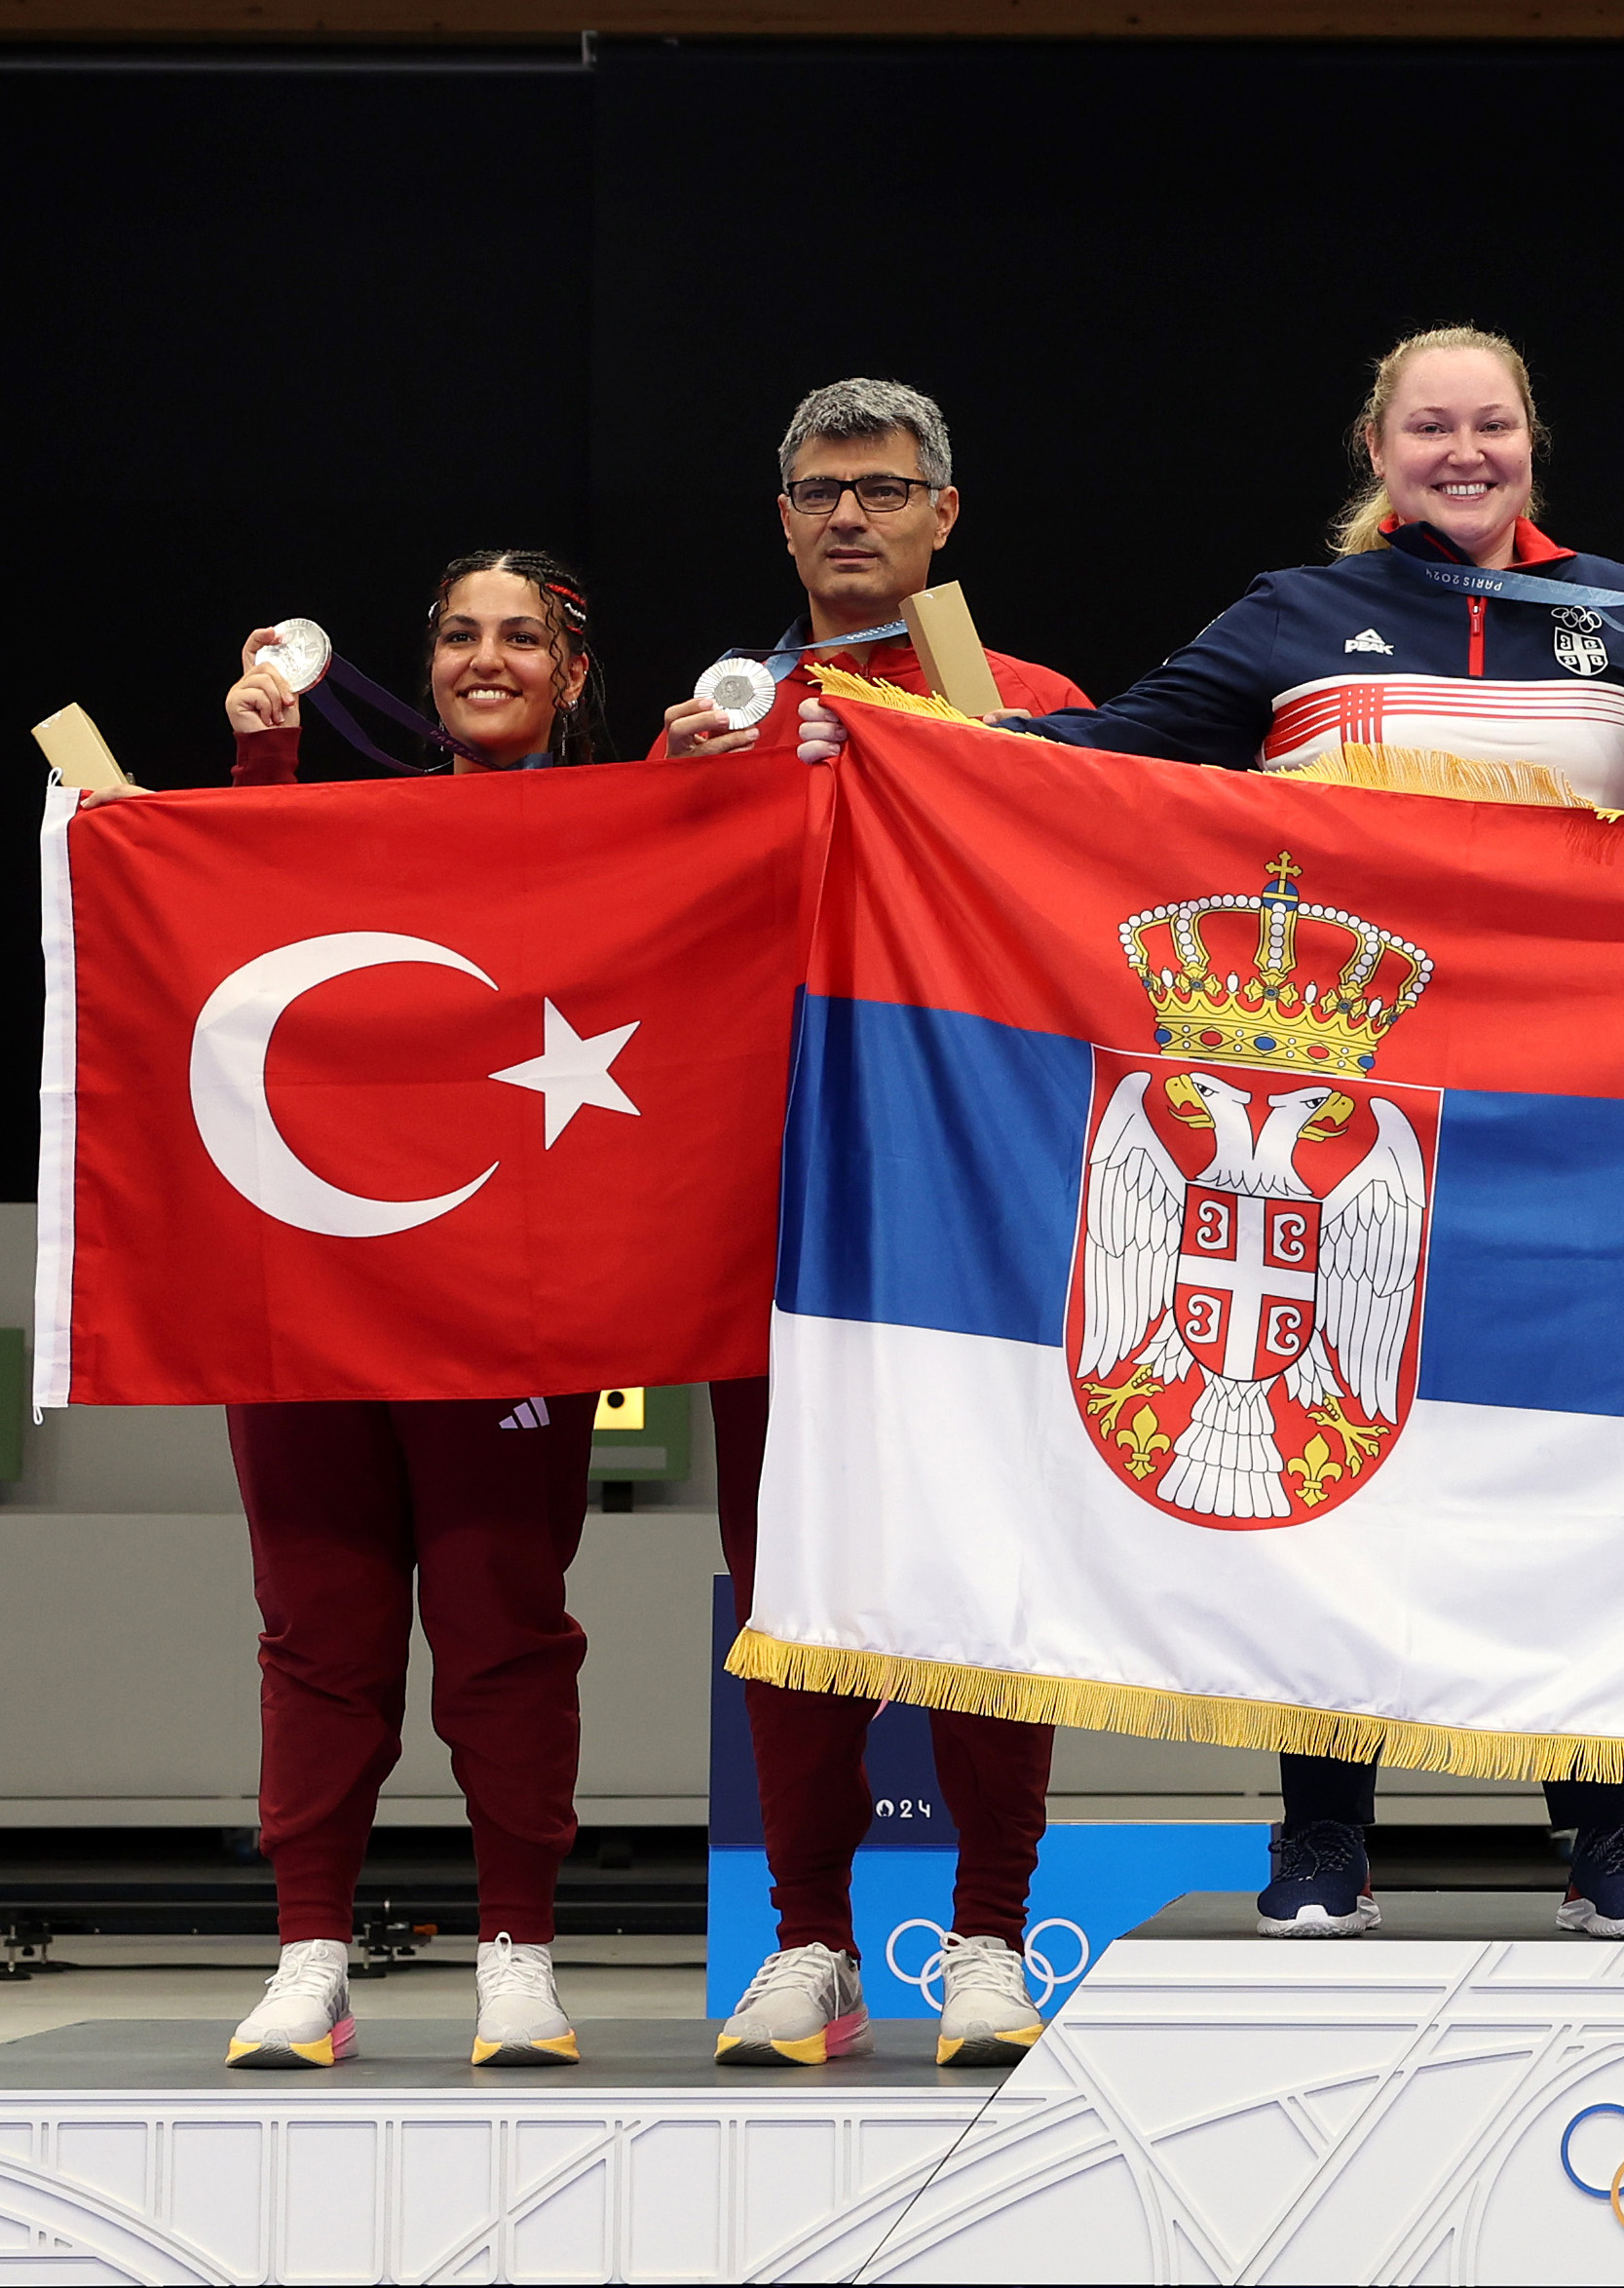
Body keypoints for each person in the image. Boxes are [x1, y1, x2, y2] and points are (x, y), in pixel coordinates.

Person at [797, 328, 1624, 1941]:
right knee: (1336, 1465)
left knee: (1576, 1478)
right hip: (1353, 1124)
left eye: (1491, 423)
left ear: (1533, 439)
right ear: (1378, 443)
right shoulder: (1296, 618)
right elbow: (1122, 748)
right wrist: (914, 745)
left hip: (1575, 1127)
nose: (1463, 450)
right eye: (1429, 424)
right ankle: (1321, 1836)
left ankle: (1608, 1834)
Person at [128, 552, 610, 2069]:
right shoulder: (342, 818)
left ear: (571, 672)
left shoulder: (623, 836)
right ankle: (310, 1954)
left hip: (507, 1309)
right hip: (315, 1290)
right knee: (318, 1634)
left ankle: (517, 1952)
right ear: (425, 659)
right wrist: (264, 752)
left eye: (520, 637)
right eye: (461, 635)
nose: (486, 659)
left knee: (503, 1634)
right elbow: (245, 929)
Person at [684, 380, 1093, 2068]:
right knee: (794, 1576)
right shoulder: (711, 719)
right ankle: (809, 1943)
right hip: (779, 1222)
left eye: (884, 488)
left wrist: (1013, 780)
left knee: (990, 1570)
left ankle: (989, 1929)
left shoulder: (1038, 701)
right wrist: (685, 803)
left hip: (985, 1223)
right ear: (781, 519)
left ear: (945, 515)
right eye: (819, 490)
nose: (850, 516)